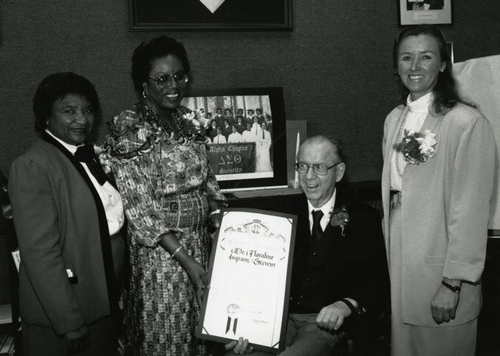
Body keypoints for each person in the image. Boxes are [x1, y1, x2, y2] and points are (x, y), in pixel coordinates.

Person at [101, 36, 227, 355]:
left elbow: (209, 184)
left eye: (179, 75)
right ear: (144, 83)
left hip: (199, 244)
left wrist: (225, 226)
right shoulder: (129, 128)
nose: (174, 85)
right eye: (162, 78)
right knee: (167, 338)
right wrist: (186, 260)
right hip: (162, 255)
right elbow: (139, 208)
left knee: (203, 335)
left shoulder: (188, 122)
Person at [382, 25, 495, 355]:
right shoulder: (394, 120)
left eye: (426, 56)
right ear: (396, 65)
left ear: (443, 63)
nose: (414, 66)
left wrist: (452, 283)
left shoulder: (466, 123)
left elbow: (471, 211)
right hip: (402, 265)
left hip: (441, 267)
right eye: (406, 57)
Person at [230, 135, 389, 355]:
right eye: (303, 166)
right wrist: (244, 323)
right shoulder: (279, 216)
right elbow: (255, 276)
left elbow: (377, 283)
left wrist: (345, 305)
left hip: (324, 323)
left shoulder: (363, 219)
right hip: (276, 319)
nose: (309, 176)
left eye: (320, 167)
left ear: (339, 172)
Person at [9, 72, 125, 356]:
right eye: (69, 111)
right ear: (46, 117)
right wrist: (68, 322)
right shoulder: (32, 166)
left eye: (87, 110)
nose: (82, 120)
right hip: (69, 314)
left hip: (101, 303)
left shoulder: (87, 155)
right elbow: (40, 254)